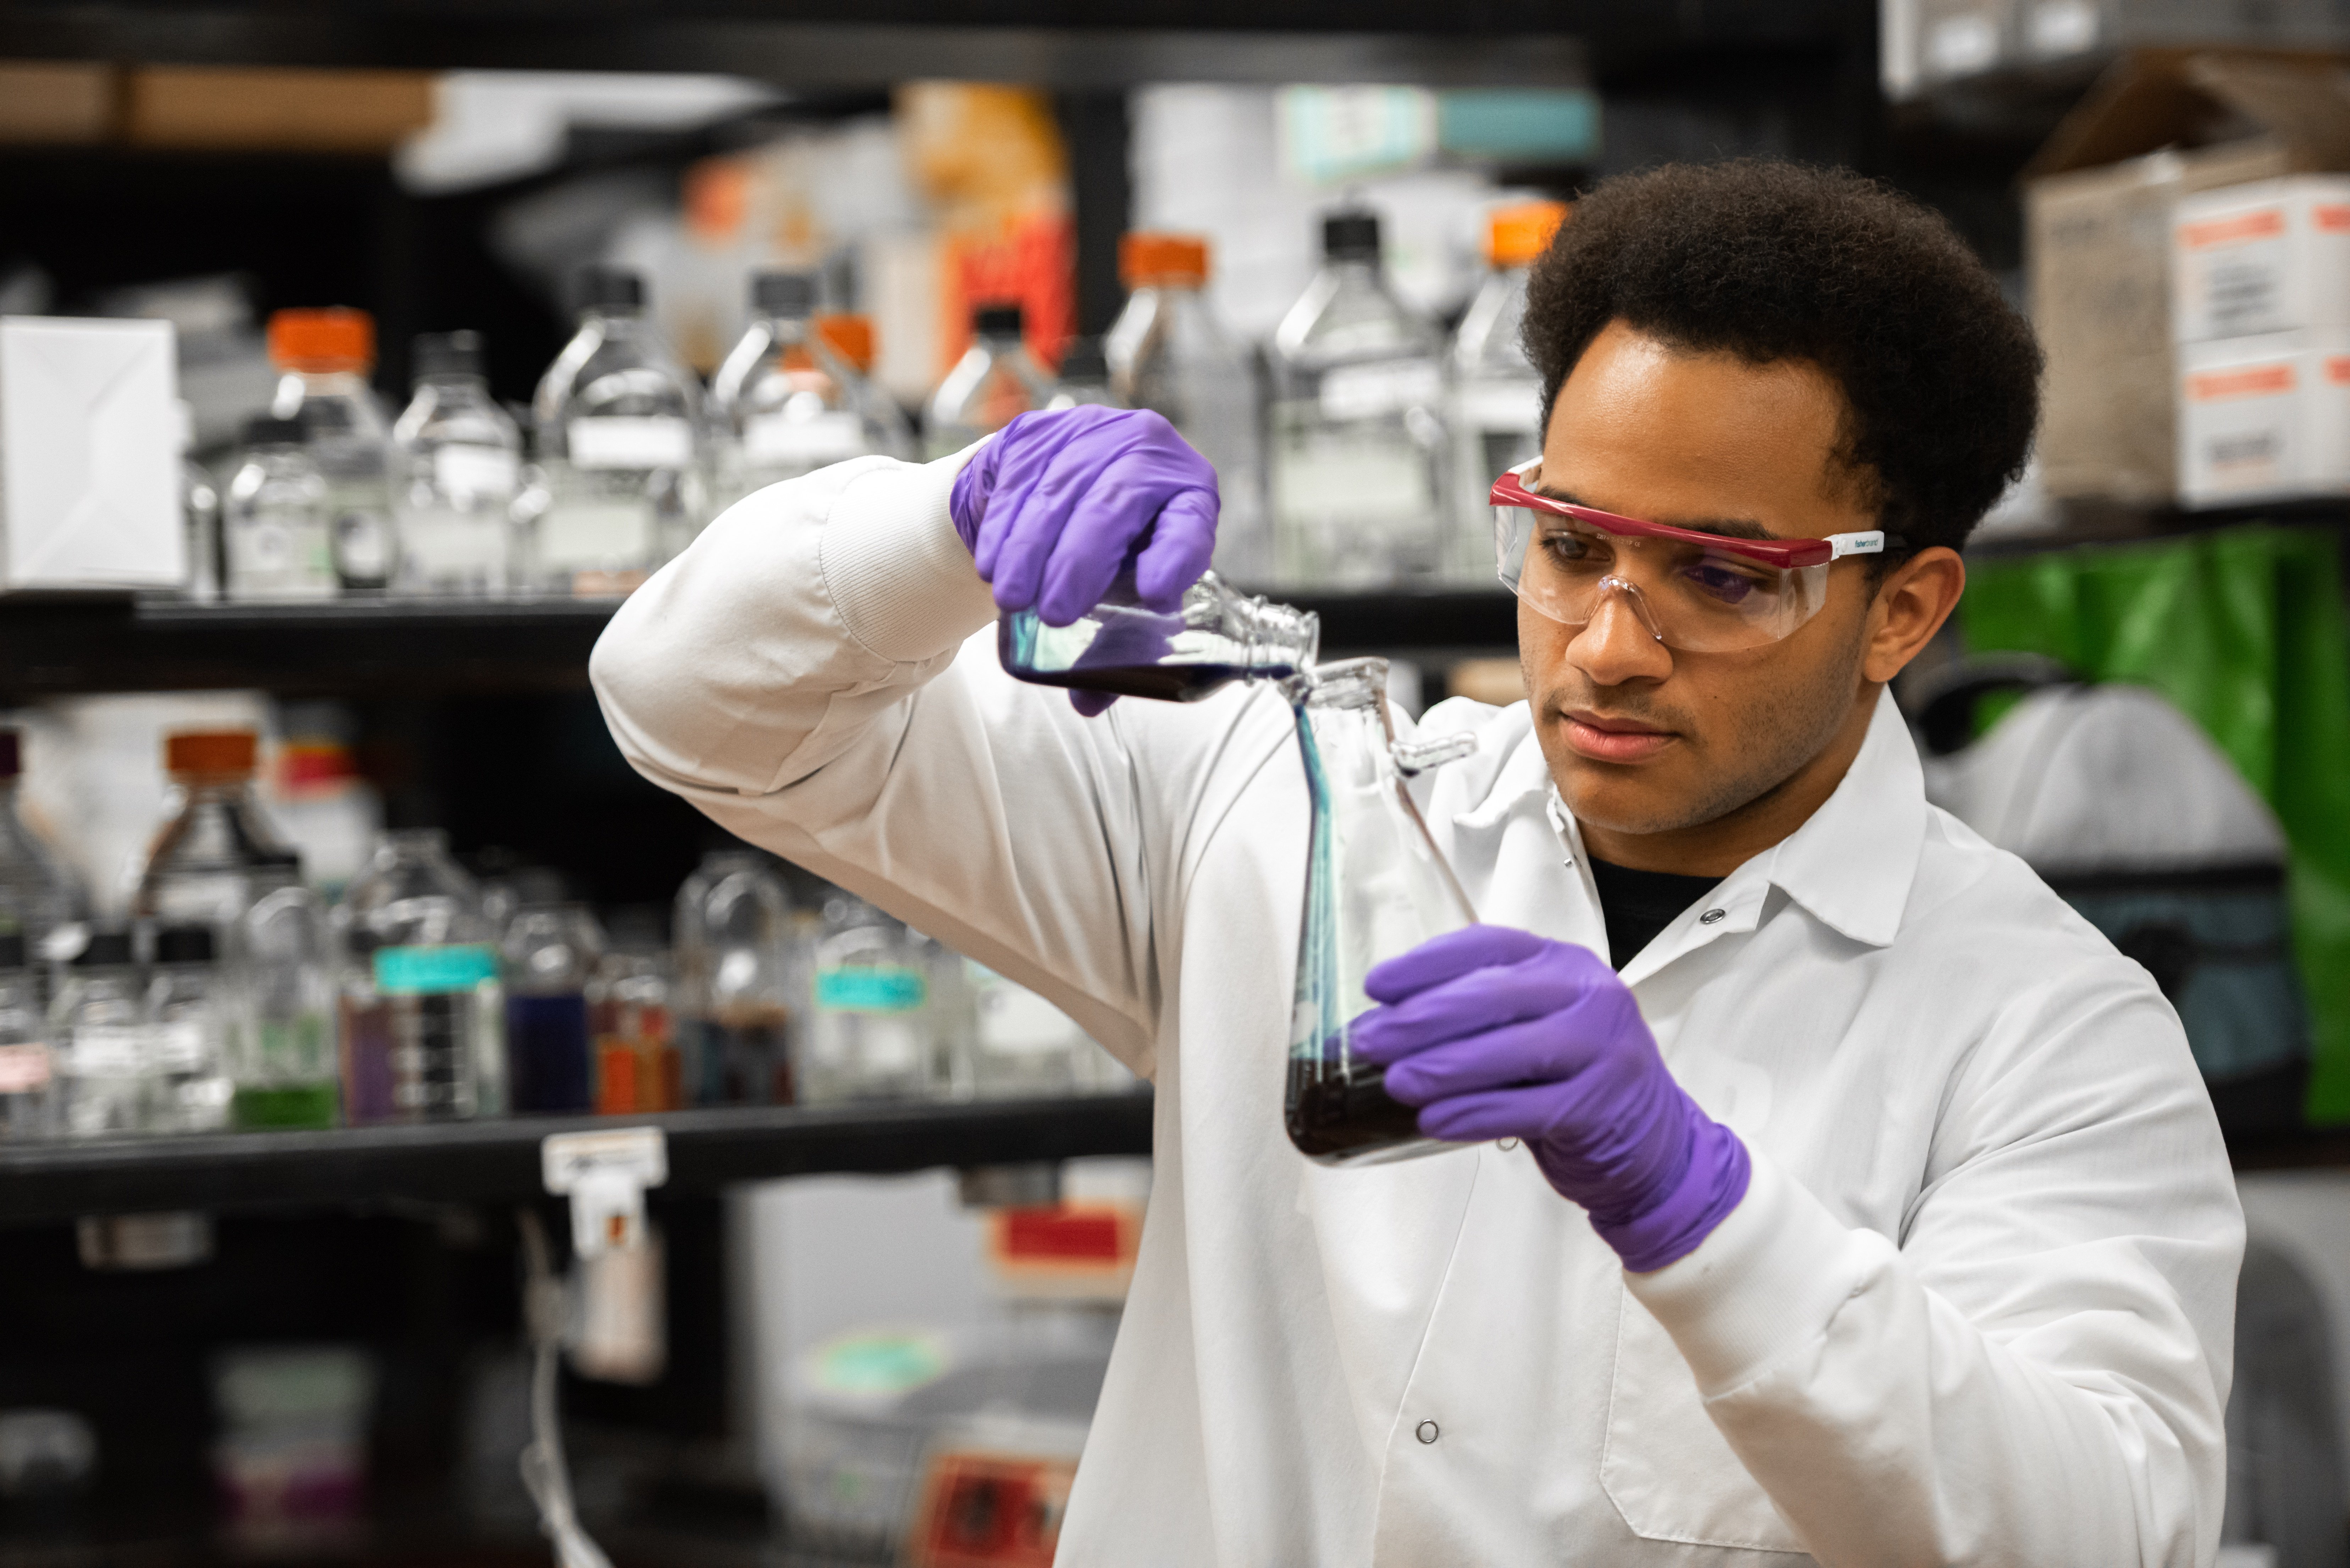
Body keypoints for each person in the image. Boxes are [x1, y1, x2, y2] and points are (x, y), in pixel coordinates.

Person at [592, 160, 2241, 1565]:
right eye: (1570, 542)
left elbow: (2104, 1519)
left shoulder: (2046, 1028)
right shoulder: (1284, 804)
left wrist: (1708, 1214)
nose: (1604, 644)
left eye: (1724, 580)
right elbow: (692, 706)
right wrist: (949, 523)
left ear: (1905, 607)